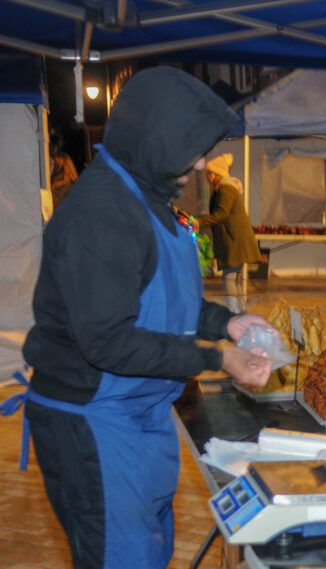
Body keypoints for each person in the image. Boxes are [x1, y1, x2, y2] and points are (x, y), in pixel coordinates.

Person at [20, 67, 276, 569]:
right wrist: (217, 357)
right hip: (93, 424)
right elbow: (108, 341)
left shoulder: (151, 199)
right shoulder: (101, 213)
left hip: (139, 418)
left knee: (148, 551)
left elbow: (166, 300)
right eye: (194, 148)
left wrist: (224, 323)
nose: (202, 163)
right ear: (157, 137)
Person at [194, 152, 262, 314]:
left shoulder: (226, 189)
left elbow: (221, 214)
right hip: (233, 239)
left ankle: (234, 313)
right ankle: (240, 311)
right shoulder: (222, 188)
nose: (207, 177)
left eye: (209, 173)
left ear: (217, 173)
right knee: (233, 278)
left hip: (235, 240)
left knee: (229, 278)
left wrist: (199, 222)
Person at [49, 140, 78, 209]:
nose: (46, 167)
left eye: (50, 164)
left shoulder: (63, 189)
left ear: (59, 167)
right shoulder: (71, 188)